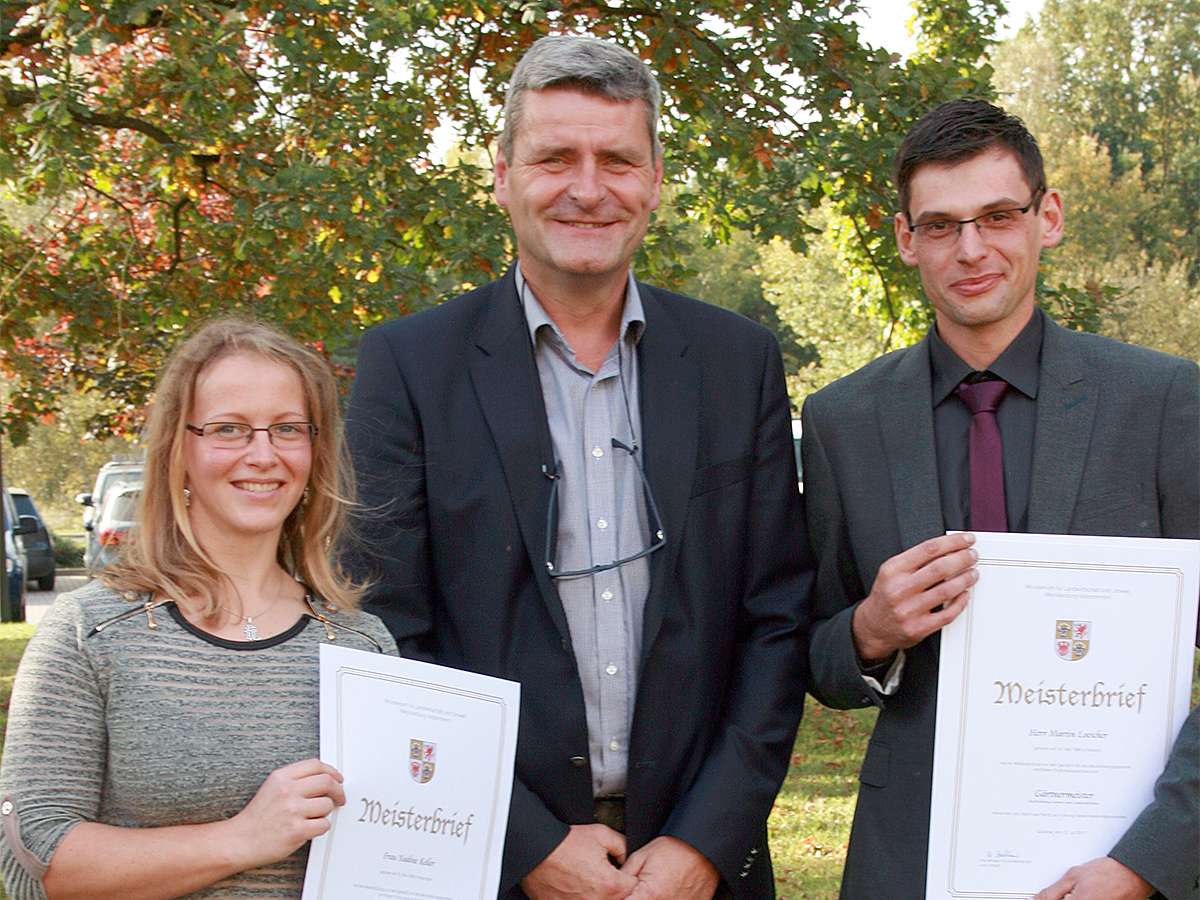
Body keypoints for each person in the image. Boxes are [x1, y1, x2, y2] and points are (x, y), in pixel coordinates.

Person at [344, 33, 812, 900]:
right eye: (556, 157)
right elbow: (381, 635)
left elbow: (776, 619)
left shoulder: (736, 360)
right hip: (482, 861)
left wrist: (706, 843)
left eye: (618, 160)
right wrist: (518, 839)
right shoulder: (409, 366)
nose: (588, 188)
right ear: (503, 173)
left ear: (655, 180)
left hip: (698, 864)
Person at [800, 98, 1199, 900]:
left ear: (1046, 216)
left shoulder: (1161, 402)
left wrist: (1152, 858)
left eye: (998, 215)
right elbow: (814, 657)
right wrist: (870, 631)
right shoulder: (842, 418)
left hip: (1118, 853)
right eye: (941, 225)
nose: (971, 249)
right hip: (910, 859)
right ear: (907, 239)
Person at [0, 319, 398, 900]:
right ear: (179, 450)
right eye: (230, 429)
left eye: (287, 429)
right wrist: (241, 838)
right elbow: (32, 859)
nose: (262, 454)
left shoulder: (362, 644)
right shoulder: (90, 633)